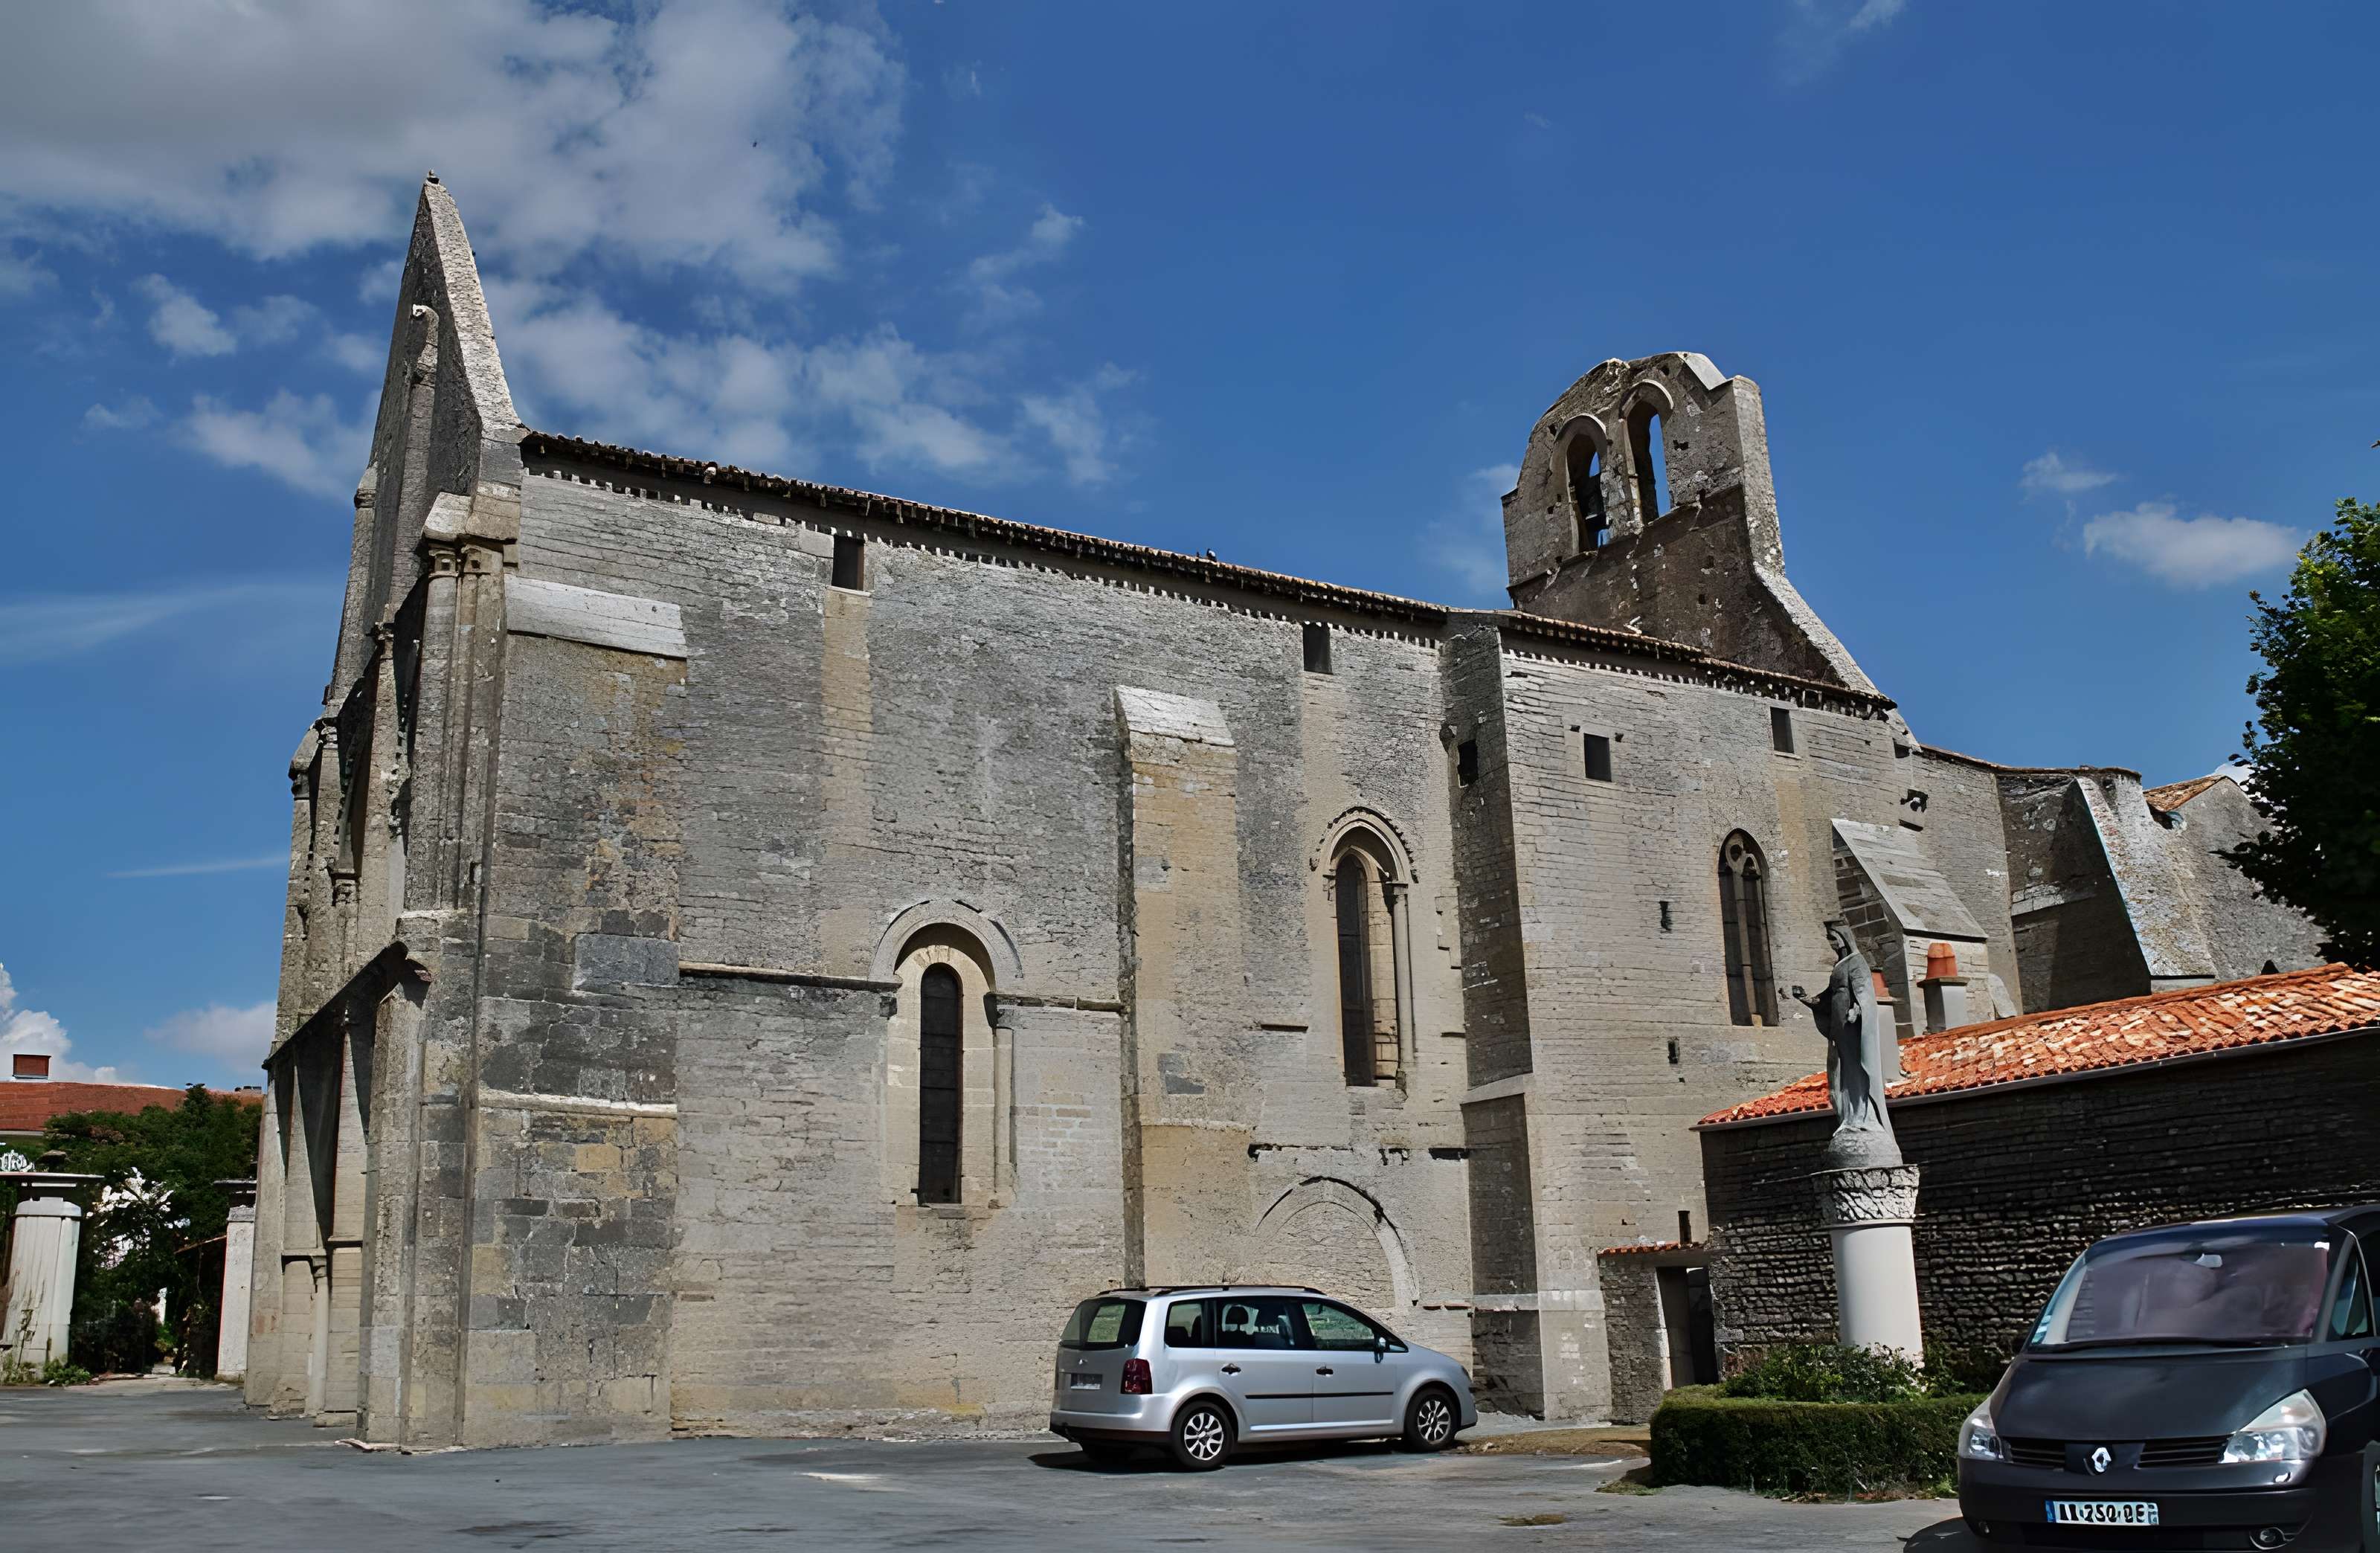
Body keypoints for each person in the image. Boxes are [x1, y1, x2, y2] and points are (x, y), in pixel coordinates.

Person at [1789, 922, 1891, 1151]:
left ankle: (1864, 1116)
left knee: (1856, 1068)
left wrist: (1857, 1011)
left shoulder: (1856, 963)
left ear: (1845, 938)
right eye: (1829, 939)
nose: (1832, 943)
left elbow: (1864, 993)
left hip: (1852, 1025)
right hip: (1839, 1026)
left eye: (1834, 938)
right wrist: (1807, 999)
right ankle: (1849, 1116)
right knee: (1843, 1071)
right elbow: (1827, 997)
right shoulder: (1839, 965)